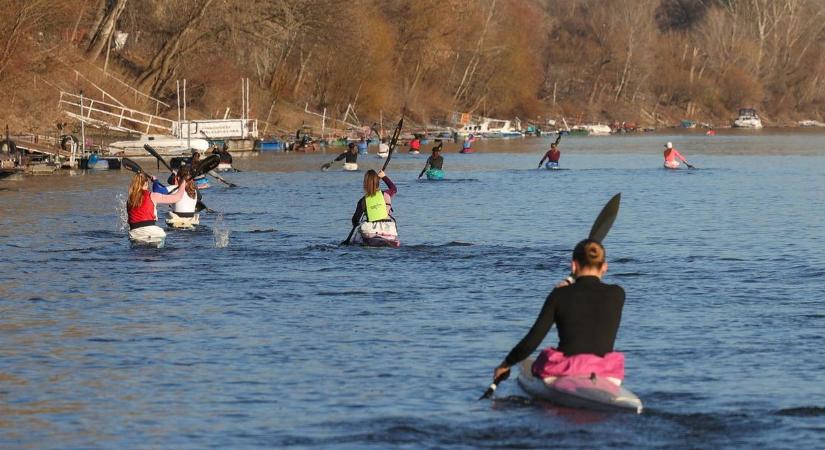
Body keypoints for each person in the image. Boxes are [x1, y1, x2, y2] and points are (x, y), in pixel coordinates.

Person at [492, 239, 627, 387]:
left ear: (573, 265)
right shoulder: (618, 294)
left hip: (566, 370)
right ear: (605, 267)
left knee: (541, 362)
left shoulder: (559, 295)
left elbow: (533, 339)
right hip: (607, 371)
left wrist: (505, 364)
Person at [126, 172, 186, 246]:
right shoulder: (152, 196)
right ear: (146, 184)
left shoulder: (129, 200)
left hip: (135, 233)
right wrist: (183, 182)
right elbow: (177, 197)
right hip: (152, 232)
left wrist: (155, 181)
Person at [350, 169, 399, 247]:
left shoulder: (362, 201)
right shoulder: (386, 194)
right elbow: (394, 189)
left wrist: (356, 223)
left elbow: (355, 220)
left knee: (361, 229)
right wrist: (384, 177)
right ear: (378, 183)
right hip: (389, 230)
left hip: (370, 231)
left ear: (365, 184)